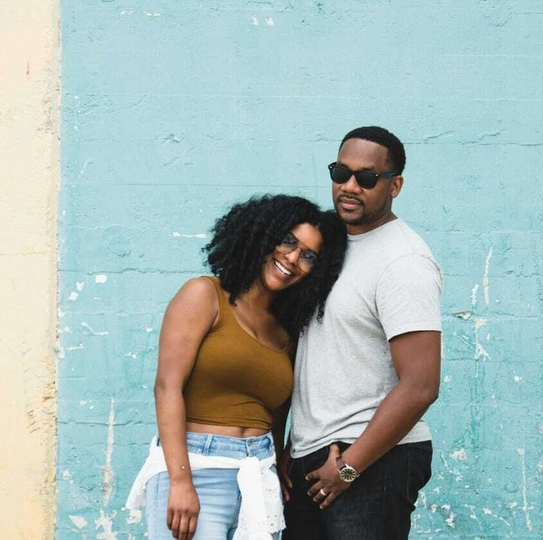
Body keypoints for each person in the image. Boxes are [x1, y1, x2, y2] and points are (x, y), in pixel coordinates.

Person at [126, 195, 346, 540]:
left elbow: (277, 413)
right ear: (263, 236)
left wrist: (279, 461)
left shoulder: (286, 331)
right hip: (199, 467)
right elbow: (167, 387)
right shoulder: (205, 295)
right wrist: (180, 481)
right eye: (288, 241)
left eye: (308, 256)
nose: (292, 258)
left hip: (258, 478)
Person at [280, 126, 443, 539]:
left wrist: (351, 467)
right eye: (341, 173)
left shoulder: (403, 261)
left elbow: (421, 385)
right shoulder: (328, 245)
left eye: (367, 178)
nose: (350, 187)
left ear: (395, 186)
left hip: (370, 458)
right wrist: (289, 448)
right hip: (312, 456)